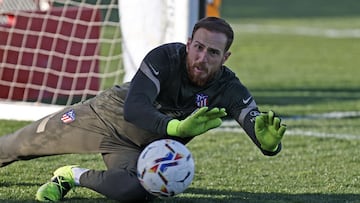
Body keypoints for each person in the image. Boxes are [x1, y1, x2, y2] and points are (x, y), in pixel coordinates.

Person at [0, 17, 287, 202]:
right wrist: (177, 128)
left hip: (140, 150)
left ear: (225, 57)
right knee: (17, 146)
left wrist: (269, 145)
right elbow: (134, 108)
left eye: (212, 53)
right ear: (188, 44)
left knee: (135, 191)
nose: (202, 57)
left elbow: (253, 121)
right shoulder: (164, 58)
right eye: (198, 47)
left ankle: (69, 176)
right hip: (103, 118)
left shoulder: (229, 87)